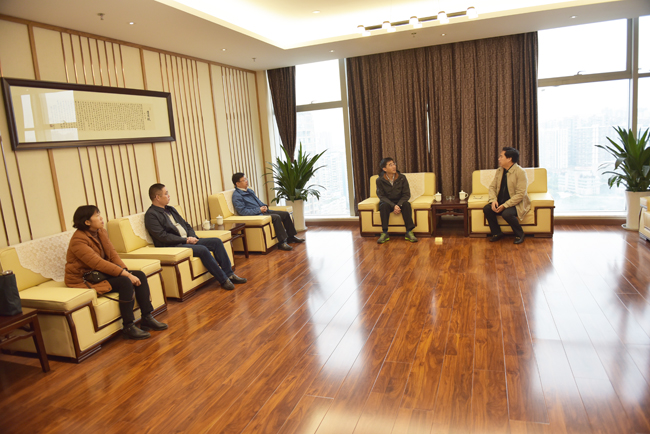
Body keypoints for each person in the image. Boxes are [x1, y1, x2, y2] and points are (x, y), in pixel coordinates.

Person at [65, 205, 168, 340]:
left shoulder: (100, 231)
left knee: (139, 275)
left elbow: (112, 254)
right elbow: (97, 263)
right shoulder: (78, 240)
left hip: (98, 274)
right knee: (125, 281)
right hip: (85, 279)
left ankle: (147, 317)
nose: (101, 218)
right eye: (97, 216)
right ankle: (128, 326)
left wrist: (125, 270)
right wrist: (126, 275)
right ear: (87, 222)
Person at [145, 184, 247, 290]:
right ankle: (223, 280)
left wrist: (192, 237)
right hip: (174, 245)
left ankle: (229, 274)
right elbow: (163, 237)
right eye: (166, 194)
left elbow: (186, 225)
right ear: (157, 197)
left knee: (216, 242)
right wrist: (186, 240)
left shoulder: (171, 209)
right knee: (202, 249)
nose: (169, 195)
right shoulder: (151, 215)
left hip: (187, 240)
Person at [231, 173, 304, 251]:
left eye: (246, 179)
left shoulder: (249, 190)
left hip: (263, 211)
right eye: (244, 180)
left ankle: (291, 237)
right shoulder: (237, 196)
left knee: (285, 214)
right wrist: (259, 210)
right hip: (256, 215)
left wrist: (264, 206)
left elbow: (258, 202)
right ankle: (282, 242)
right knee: (276, 217)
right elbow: (242, 211)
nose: (246, 181)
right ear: (237, 183)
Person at [483, 147, 531, 244]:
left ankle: (520, 234)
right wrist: (493, 200)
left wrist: (505, 205)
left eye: (501, 156)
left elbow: (520, 194)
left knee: (506, 214)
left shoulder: (520, 172)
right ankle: (497, 233)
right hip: (500, 201)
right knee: (487, 208)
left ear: (509, 159)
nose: (499, 159)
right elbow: (492, 187)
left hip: (515, 203)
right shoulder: (500, 170)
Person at [376, 157, 418, 244]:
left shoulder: (402, 178)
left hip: (400, 201)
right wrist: (393, 205)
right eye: (390, 165)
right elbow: (381, 196)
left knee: (407, 204)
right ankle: (385, 232)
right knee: (383, 206)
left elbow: (406, 194)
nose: (394, 166)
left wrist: (398, 205)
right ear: (384, 169)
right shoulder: (379, 180)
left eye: (394, 164)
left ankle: (409, 231)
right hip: (388, 202)